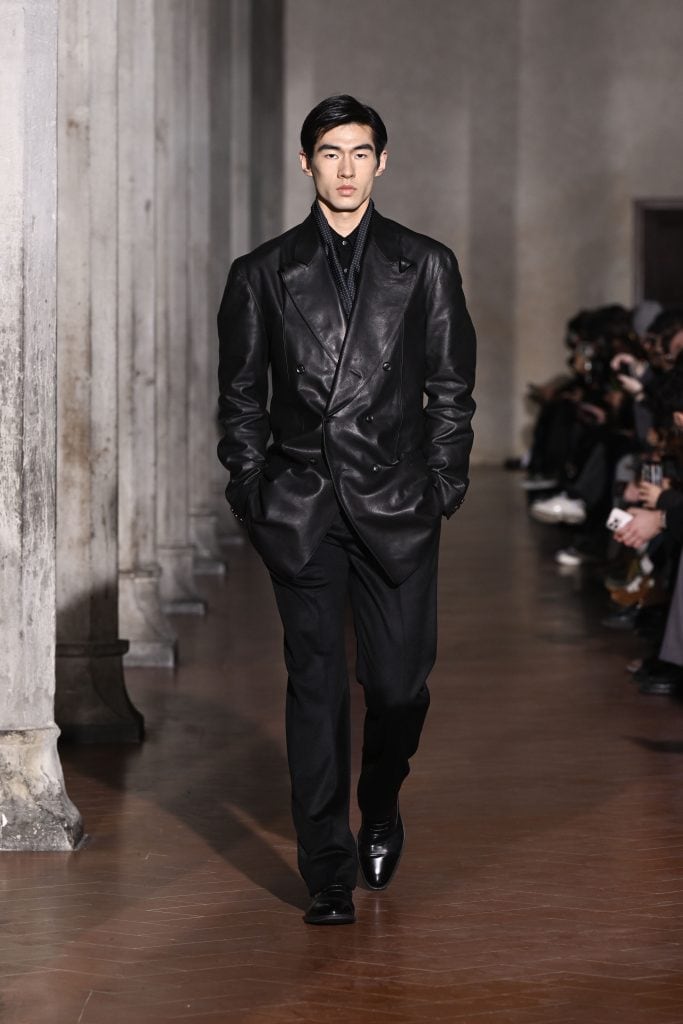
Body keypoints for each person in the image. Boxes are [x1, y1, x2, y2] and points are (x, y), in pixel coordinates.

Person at [217, 95, 476, 925]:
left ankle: (382, 800)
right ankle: (327, 870)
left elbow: (450, 387)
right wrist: (252, 491)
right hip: (301, 507)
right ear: (306, 163)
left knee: (397, 688)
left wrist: (442, 485)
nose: (345, 169)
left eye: (360, 153)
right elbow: (241, 400)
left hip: (396, 503)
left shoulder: (424, 264)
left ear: (382, 162)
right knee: (316, 689)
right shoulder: (261, 273)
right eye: (330, 153)